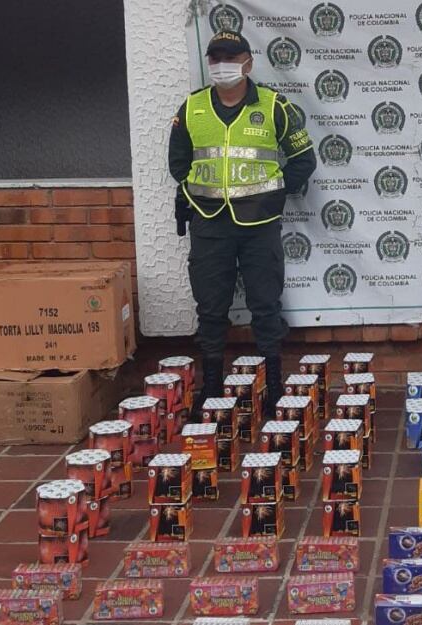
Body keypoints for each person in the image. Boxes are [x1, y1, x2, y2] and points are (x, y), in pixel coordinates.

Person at [168, 30, 316, 417]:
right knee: (210, 308)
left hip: (259, 224)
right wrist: (197, 197)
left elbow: (303, 158)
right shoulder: (192, 108)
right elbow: (178, 164)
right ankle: (211, 386)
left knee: (265, 305)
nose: (222, 66)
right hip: (209, 223)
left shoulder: (273, 105)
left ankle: (274, 386)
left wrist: (276, 193)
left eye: (230, 58)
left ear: (248, 62)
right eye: (215, 58)